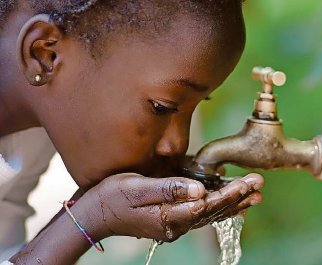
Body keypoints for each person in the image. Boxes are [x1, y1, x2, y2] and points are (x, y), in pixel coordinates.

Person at [0, 0, 264, 264]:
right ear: (45, 55)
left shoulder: (29, 132)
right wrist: (88, 218)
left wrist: (87, 210)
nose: (177, 145)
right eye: (162, 107)